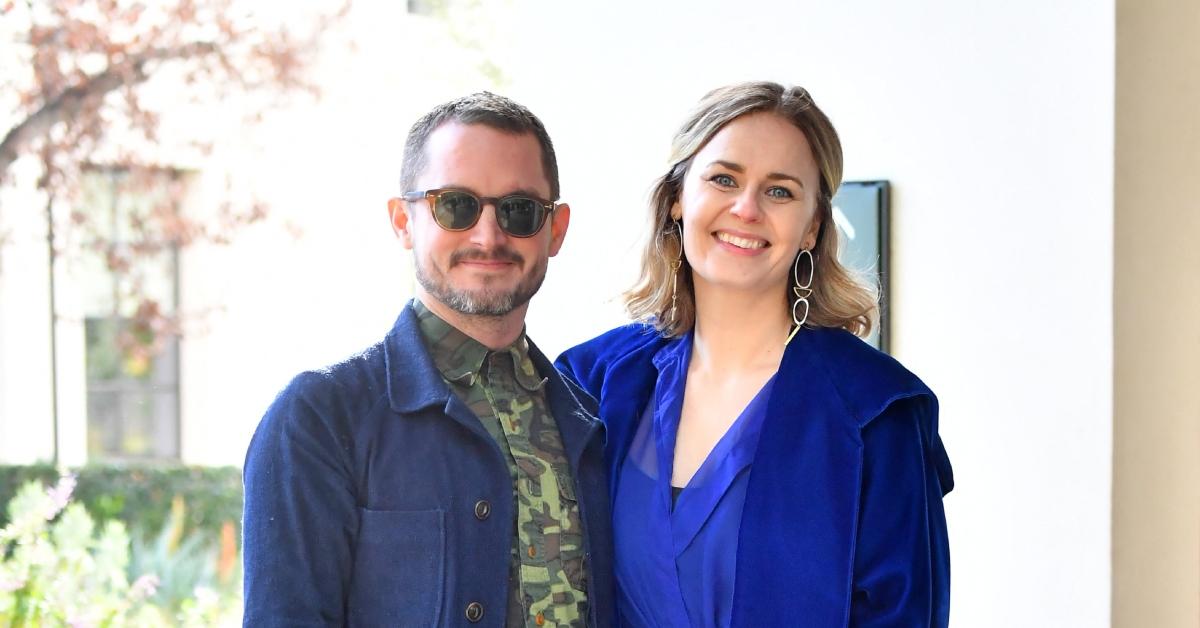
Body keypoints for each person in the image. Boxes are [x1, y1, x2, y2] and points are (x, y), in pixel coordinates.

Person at [556, 81, 953, 627]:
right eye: (724, 179)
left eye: (780, 191)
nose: (746, 208)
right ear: (677, 199)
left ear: (812, 227)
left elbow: (905, 614)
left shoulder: (876, 413)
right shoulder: (592, 383)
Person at [243, 92, 615, 627]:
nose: (489, 236)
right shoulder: (319, 418)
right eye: (456, 206)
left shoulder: (589, 420)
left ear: (555, 231)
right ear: (402, 220)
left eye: (519, 211)